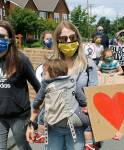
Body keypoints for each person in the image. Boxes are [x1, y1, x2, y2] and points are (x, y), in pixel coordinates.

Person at [27, 21, 99, 150]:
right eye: (63, 39)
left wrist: (111, 127)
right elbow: (42, 96)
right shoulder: (50, 64)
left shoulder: (88, 64)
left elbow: (95, 96)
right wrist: (31, 123)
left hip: (78, 127)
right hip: (52, 126)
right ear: (57, 41)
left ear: (78, 38)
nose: (68, 42)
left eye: (72, 37)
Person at [0, 21, 40, 150]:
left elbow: (38, 87)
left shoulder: (20, 59)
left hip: (19, 116)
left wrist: (34, 117)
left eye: (2, 36)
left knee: (22, 146)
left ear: (10, 39)